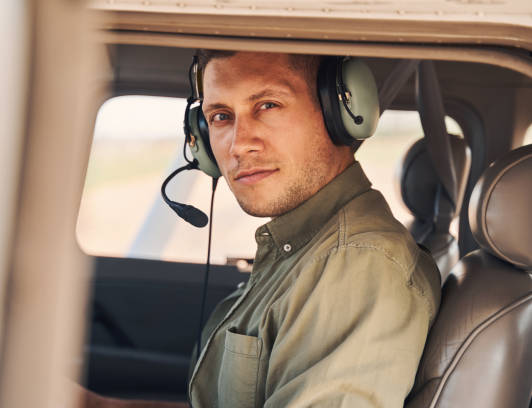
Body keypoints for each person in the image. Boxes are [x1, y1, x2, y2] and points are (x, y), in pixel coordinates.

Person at [78, 51, 441, 408]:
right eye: (220, 116)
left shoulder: (356, 267)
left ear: (338, 110)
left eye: (268, 105)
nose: (239, 144)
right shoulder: (303, 249)